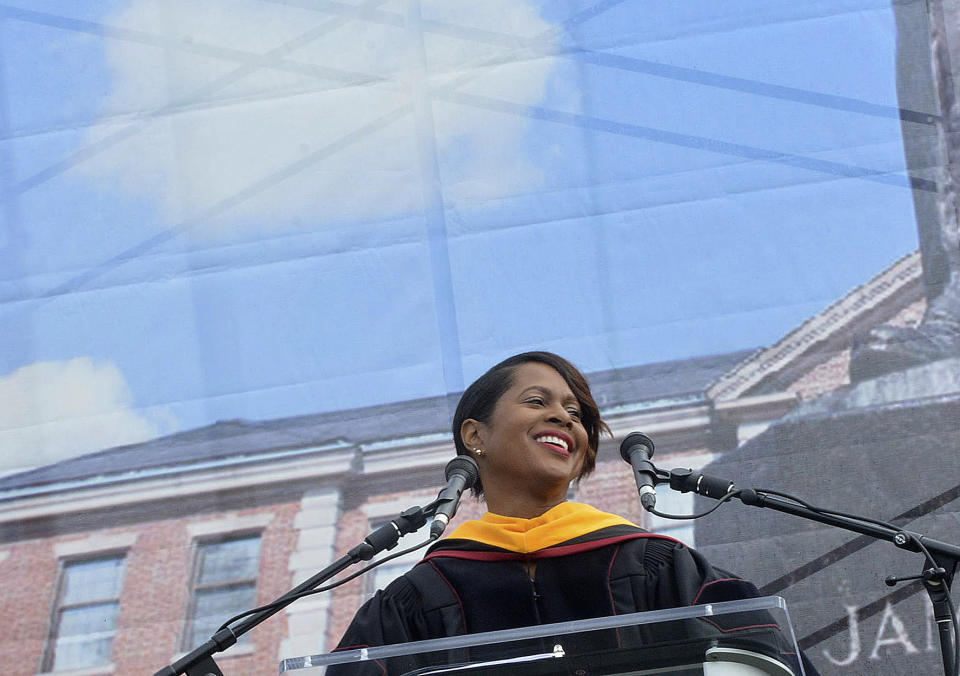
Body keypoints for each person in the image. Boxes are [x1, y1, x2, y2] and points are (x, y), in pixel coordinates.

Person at [332, 352, 816, 674]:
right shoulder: (418, 596)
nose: (565, 417)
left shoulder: (656, 564)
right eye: (537, 401)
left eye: (575, 413)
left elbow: (766, 659)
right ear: (475, 436)